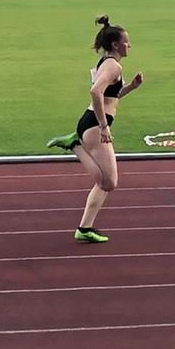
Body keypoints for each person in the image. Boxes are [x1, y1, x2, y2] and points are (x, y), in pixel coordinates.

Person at [51, 15, 144, 243]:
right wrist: (103, 126)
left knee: (105, 183)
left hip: (92, 121)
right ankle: (74, 144)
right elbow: (96, 92)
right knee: (108, 182)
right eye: (126, 42)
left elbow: (111, 96)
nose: (129, 45)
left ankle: (84, 229)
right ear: (115, 44)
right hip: (94, 124)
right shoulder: (113, 65)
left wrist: (131, 87)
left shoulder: (107, 63)